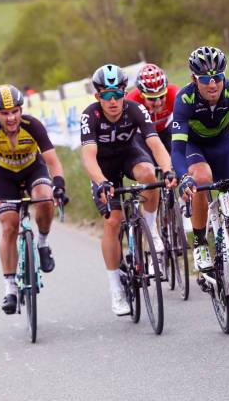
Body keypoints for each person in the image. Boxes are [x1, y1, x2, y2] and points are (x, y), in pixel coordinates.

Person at [171, 46, 229, 310]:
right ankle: (200, 242)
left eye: (217, 77)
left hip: (224, 149)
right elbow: (177, 150)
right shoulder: (185, 100)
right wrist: (183, 178)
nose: (212, 84)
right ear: (194, 80)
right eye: (204, 79)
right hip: (194, 149)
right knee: (201, 177)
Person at [80, 64, 175, 316]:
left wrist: (168, 170)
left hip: (129, 156)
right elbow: (88, 158)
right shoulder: (90, 116)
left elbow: (155, 145)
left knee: (149, 174)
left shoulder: (135, 109)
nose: (113, 101)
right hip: (103, 168)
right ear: (97, 96)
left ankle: (151, 229)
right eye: (106, 95)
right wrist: (101, 181)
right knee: (113, 220)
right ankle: (116, 289)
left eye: (118, 94)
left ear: (125, 92)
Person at [0, 84, 68, 314]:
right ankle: (10, 289)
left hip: (32, 170)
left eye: (15, 111)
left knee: (45, 198)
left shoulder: (32, 125)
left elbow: (53, 161)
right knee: (9, 226)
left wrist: (59, 184)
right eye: (5, 113)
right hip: (5, 176)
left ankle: (43, 243)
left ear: (21, 110)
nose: (11, 117)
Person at [126, 63, 179, 153]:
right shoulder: (131, 102)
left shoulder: (174, 94)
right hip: (144, 136)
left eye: (162, 96)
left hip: (167, 130)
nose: (158, 103)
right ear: (142, 95)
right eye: (152, 98)